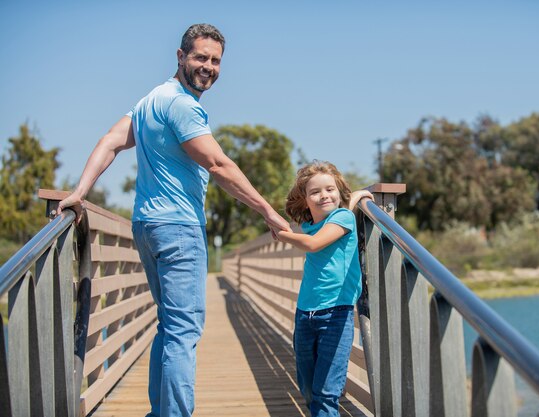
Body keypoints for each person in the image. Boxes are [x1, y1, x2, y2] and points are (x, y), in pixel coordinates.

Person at [58, 23, 291, 417]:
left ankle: (160, 412)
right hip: (179, 227)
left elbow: (111, 141)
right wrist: (268, 211)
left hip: (146, 226)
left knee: (170, 326)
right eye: (201, 57)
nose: (209, 67)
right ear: (181, 57)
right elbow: (218, 164)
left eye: (216, 61)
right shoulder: (182, 104)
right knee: (183, 332)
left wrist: (81, 190)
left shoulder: (151, 100)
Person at [274, 161, 373, 417]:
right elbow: (319, 229)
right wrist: (353, 199)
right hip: (305, 314)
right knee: (307, 388)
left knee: (325, 392)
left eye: (330, 189)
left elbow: (314, 243)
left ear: (339, 192)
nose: (324, 195)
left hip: (336, 315)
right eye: (315, 192)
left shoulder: (343, 218)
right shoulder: (309, 224)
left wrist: (283, 235)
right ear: (305, 200)